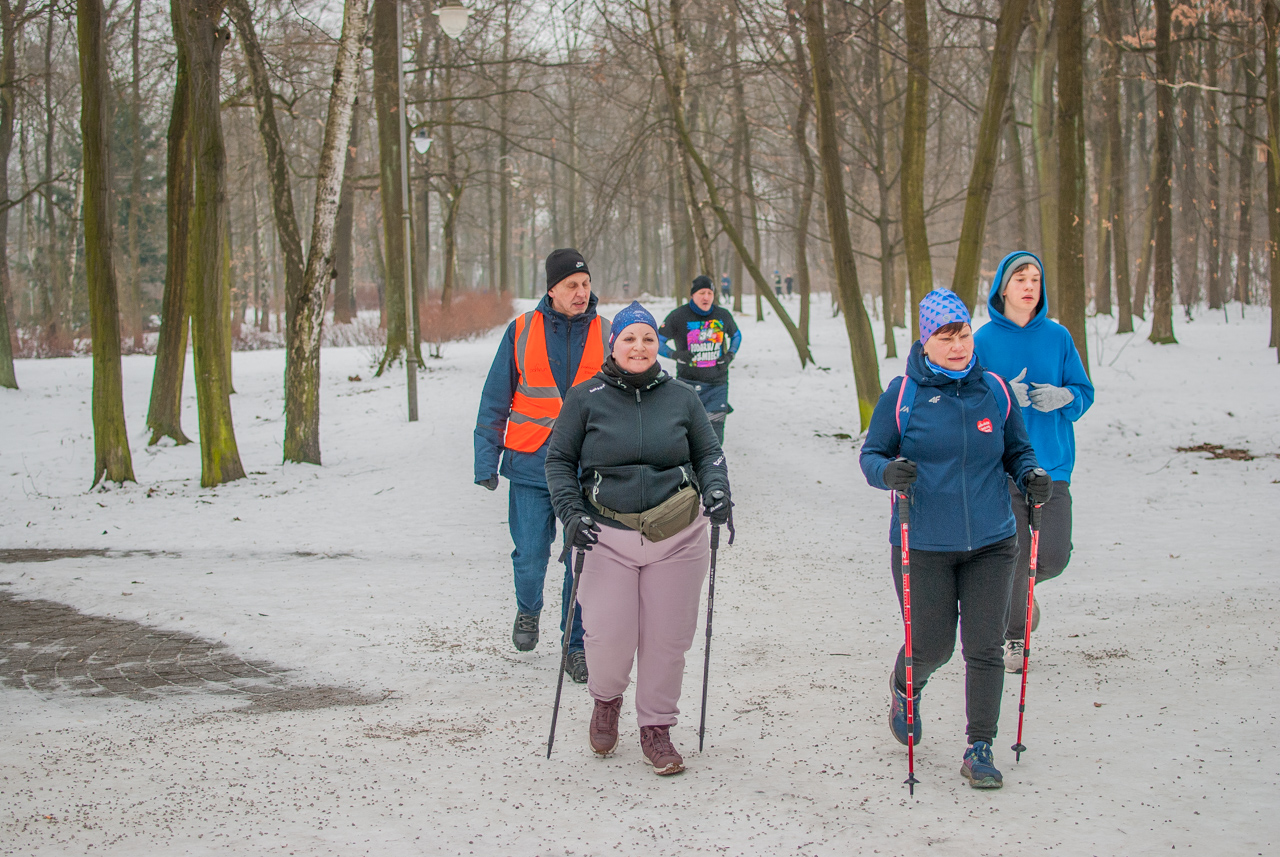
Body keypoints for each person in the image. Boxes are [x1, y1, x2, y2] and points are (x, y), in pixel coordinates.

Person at [860, 288, 1051, 790]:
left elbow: (1018, 450)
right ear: (926, 341)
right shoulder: (903, 395)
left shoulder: (995, 390)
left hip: (992, 540)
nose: (958, 345)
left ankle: (979, 747)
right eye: (945, 337)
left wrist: (1031, 474)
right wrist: (888, 473)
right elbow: (872, 455)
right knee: (932, 646)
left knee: (984, 648)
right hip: (923, 543)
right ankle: (907, 686)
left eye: (963, 334)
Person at [545, 301, 731, 776]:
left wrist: (716, 490)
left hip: (678, 535)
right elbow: (559, 461)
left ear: (657, 345)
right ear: (614, 344)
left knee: (669, 639)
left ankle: (657, 728)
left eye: (648, 338)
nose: (639, 346)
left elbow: (709, 454)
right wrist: (570, 513)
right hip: (605, 536)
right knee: (608, 636)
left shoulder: (682, 397)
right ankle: (606, 701)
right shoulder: (585, 398)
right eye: (629, 337)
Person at [474, 248, 610, 683]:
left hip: (586, 471)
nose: (581, 292)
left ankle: (576, 645)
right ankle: (528, 609)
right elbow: (496, 396)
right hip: (531, 465)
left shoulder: (608, 333)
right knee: (531, 554)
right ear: (551, 289)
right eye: (571, 285)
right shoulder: (521, 330)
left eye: (585, 284)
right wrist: (485, 457)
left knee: (582, 561)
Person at [973, 252, 1094, 673]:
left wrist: (1066, 396)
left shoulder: (1058, 337)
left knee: (1054, 556)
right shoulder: (982, 340)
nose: (1029, 286)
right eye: (1020, 279)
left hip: (1052, 464)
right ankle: (1014, 636)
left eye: (1035, 279)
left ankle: (1020, 592)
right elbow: (968, 405)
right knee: (1016, 553)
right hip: (1003, 468)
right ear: (1002, 288)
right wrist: (1004, 395)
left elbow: (1084, 392)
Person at [658, 275, 741, 443]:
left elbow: (736, 335)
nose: (706, 297)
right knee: (690, 436)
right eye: (702, 293)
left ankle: (713, 461)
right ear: (692, 295)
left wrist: (730, 355)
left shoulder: (722, 315)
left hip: (717, 385)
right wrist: (675, 355)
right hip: (687, 385)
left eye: (710, 293)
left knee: (714, 436)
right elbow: (658, 341)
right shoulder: (678, 316)